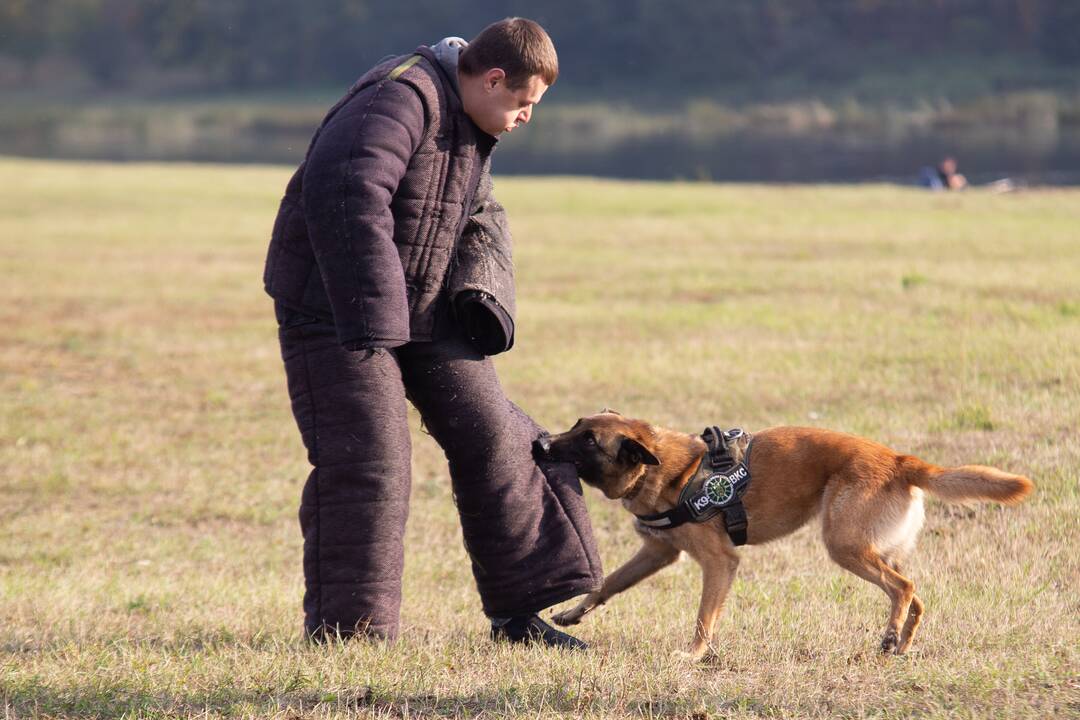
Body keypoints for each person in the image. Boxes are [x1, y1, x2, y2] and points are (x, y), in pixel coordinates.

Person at [263, 18, 602, 648]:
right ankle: (350, 638)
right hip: (335, 312)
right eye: (524, 104)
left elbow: (477, 210)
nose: (528, 118)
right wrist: (375, 316)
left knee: (500, 439)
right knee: (371, 461)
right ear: (493, 78)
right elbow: (345, 190)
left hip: (422, 311)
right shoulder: (399, 97)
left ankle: (518, 614)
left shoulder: (471, 118)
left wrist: (480, 298)